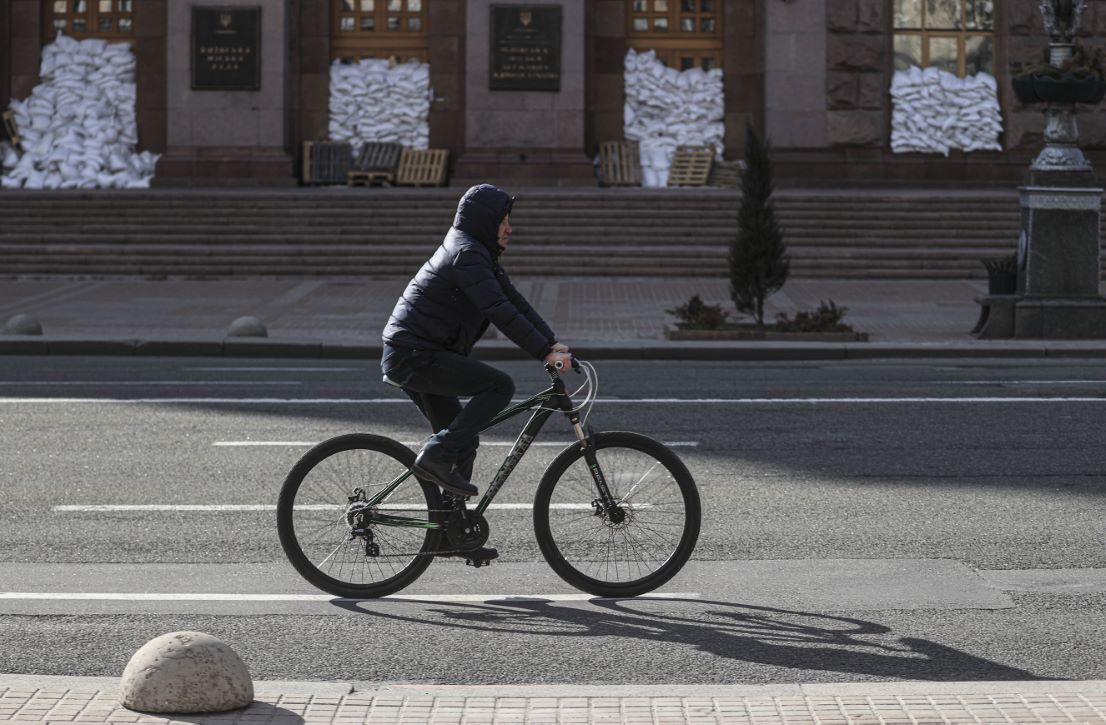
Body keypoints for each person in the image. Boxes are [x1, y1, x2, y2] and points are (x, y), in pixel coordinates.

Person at [381, 183, 572, 508]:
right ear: (485, 221)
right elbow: (498, 310)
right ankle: (436, 454)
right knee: (499, 386)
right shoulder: (467, 255)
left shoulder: (476, 253)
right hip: (415, 354)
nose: (509, 228)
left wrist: (551, 343)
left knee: (463, 441)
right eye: (503, 220)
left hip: (416, 351)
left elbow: (515, 303)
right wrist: (544, 352)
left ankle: (450, 529)